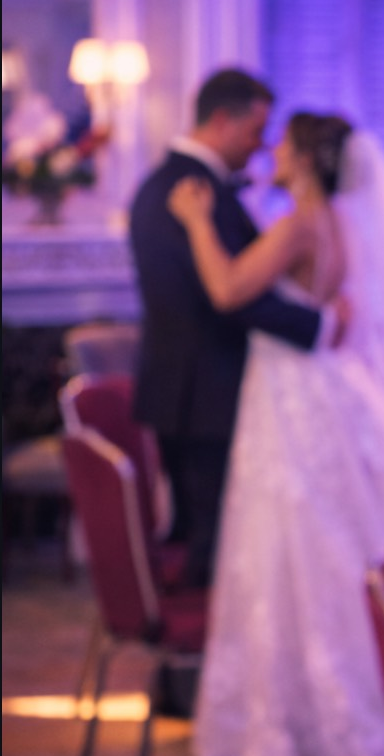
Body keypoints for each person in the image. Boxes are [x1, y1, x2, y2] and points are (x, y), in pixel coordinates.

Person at [168, 111, 384, 756]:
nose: (272, 151)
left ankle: (304, 719)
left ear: (303, 157)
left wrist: (194, 223)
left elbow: (227, 289)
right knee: (324, 539)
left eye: (283, 143)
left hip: (290, 396)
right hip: (319, 386)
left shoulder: (300, 222)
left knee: (293, 543)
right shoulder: (341, 221)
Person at [130, 68, 336, 590]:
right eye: (254, 131)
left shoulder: (177, 187)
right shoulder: (187, 191)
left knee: (223, 541)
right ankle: (197, 663)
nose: (262, 146)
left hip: (204, 392)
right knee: (212, 547)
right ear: (222, 120)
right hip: (203, 394)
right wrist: (320, 326)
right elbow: (228, 298)